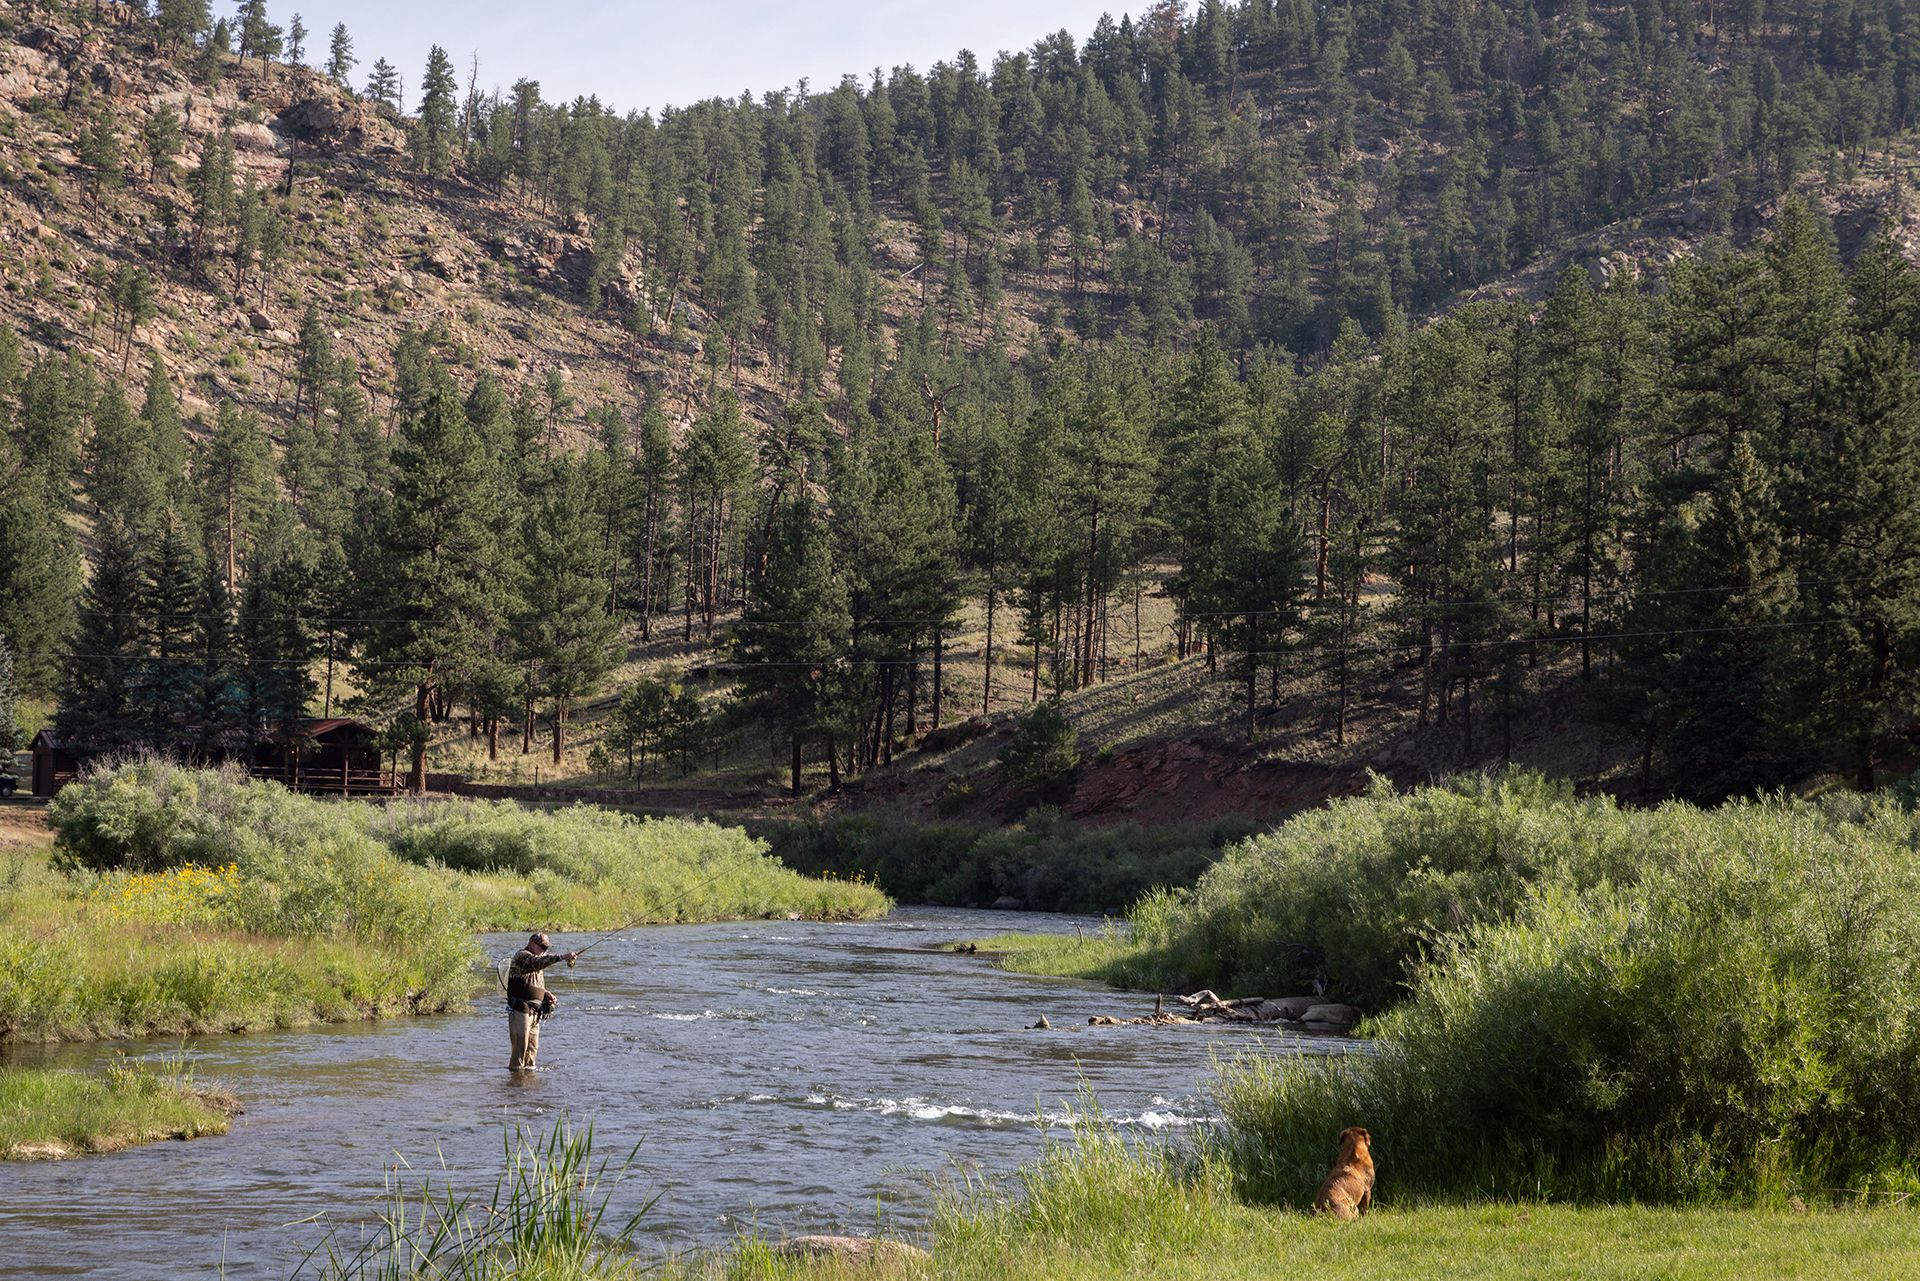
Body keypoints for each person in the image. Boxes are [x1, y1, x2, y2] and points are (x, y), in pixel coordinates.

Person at [506, 932, 578, 1069]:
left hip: (535, 1011)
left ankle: (529, 1076)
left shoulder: (537, 963)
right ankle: (515, 1076)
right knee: (521, 1046)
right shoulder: (523, 956)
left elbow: (536, 984)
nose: (545, 951)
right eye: (543, 947)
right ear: (532, 944)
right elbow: (537, 962)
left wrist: (546, 994)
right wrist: (562, 957)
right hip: (521, 1009)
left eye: (547, 948)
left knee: (532, 1048)